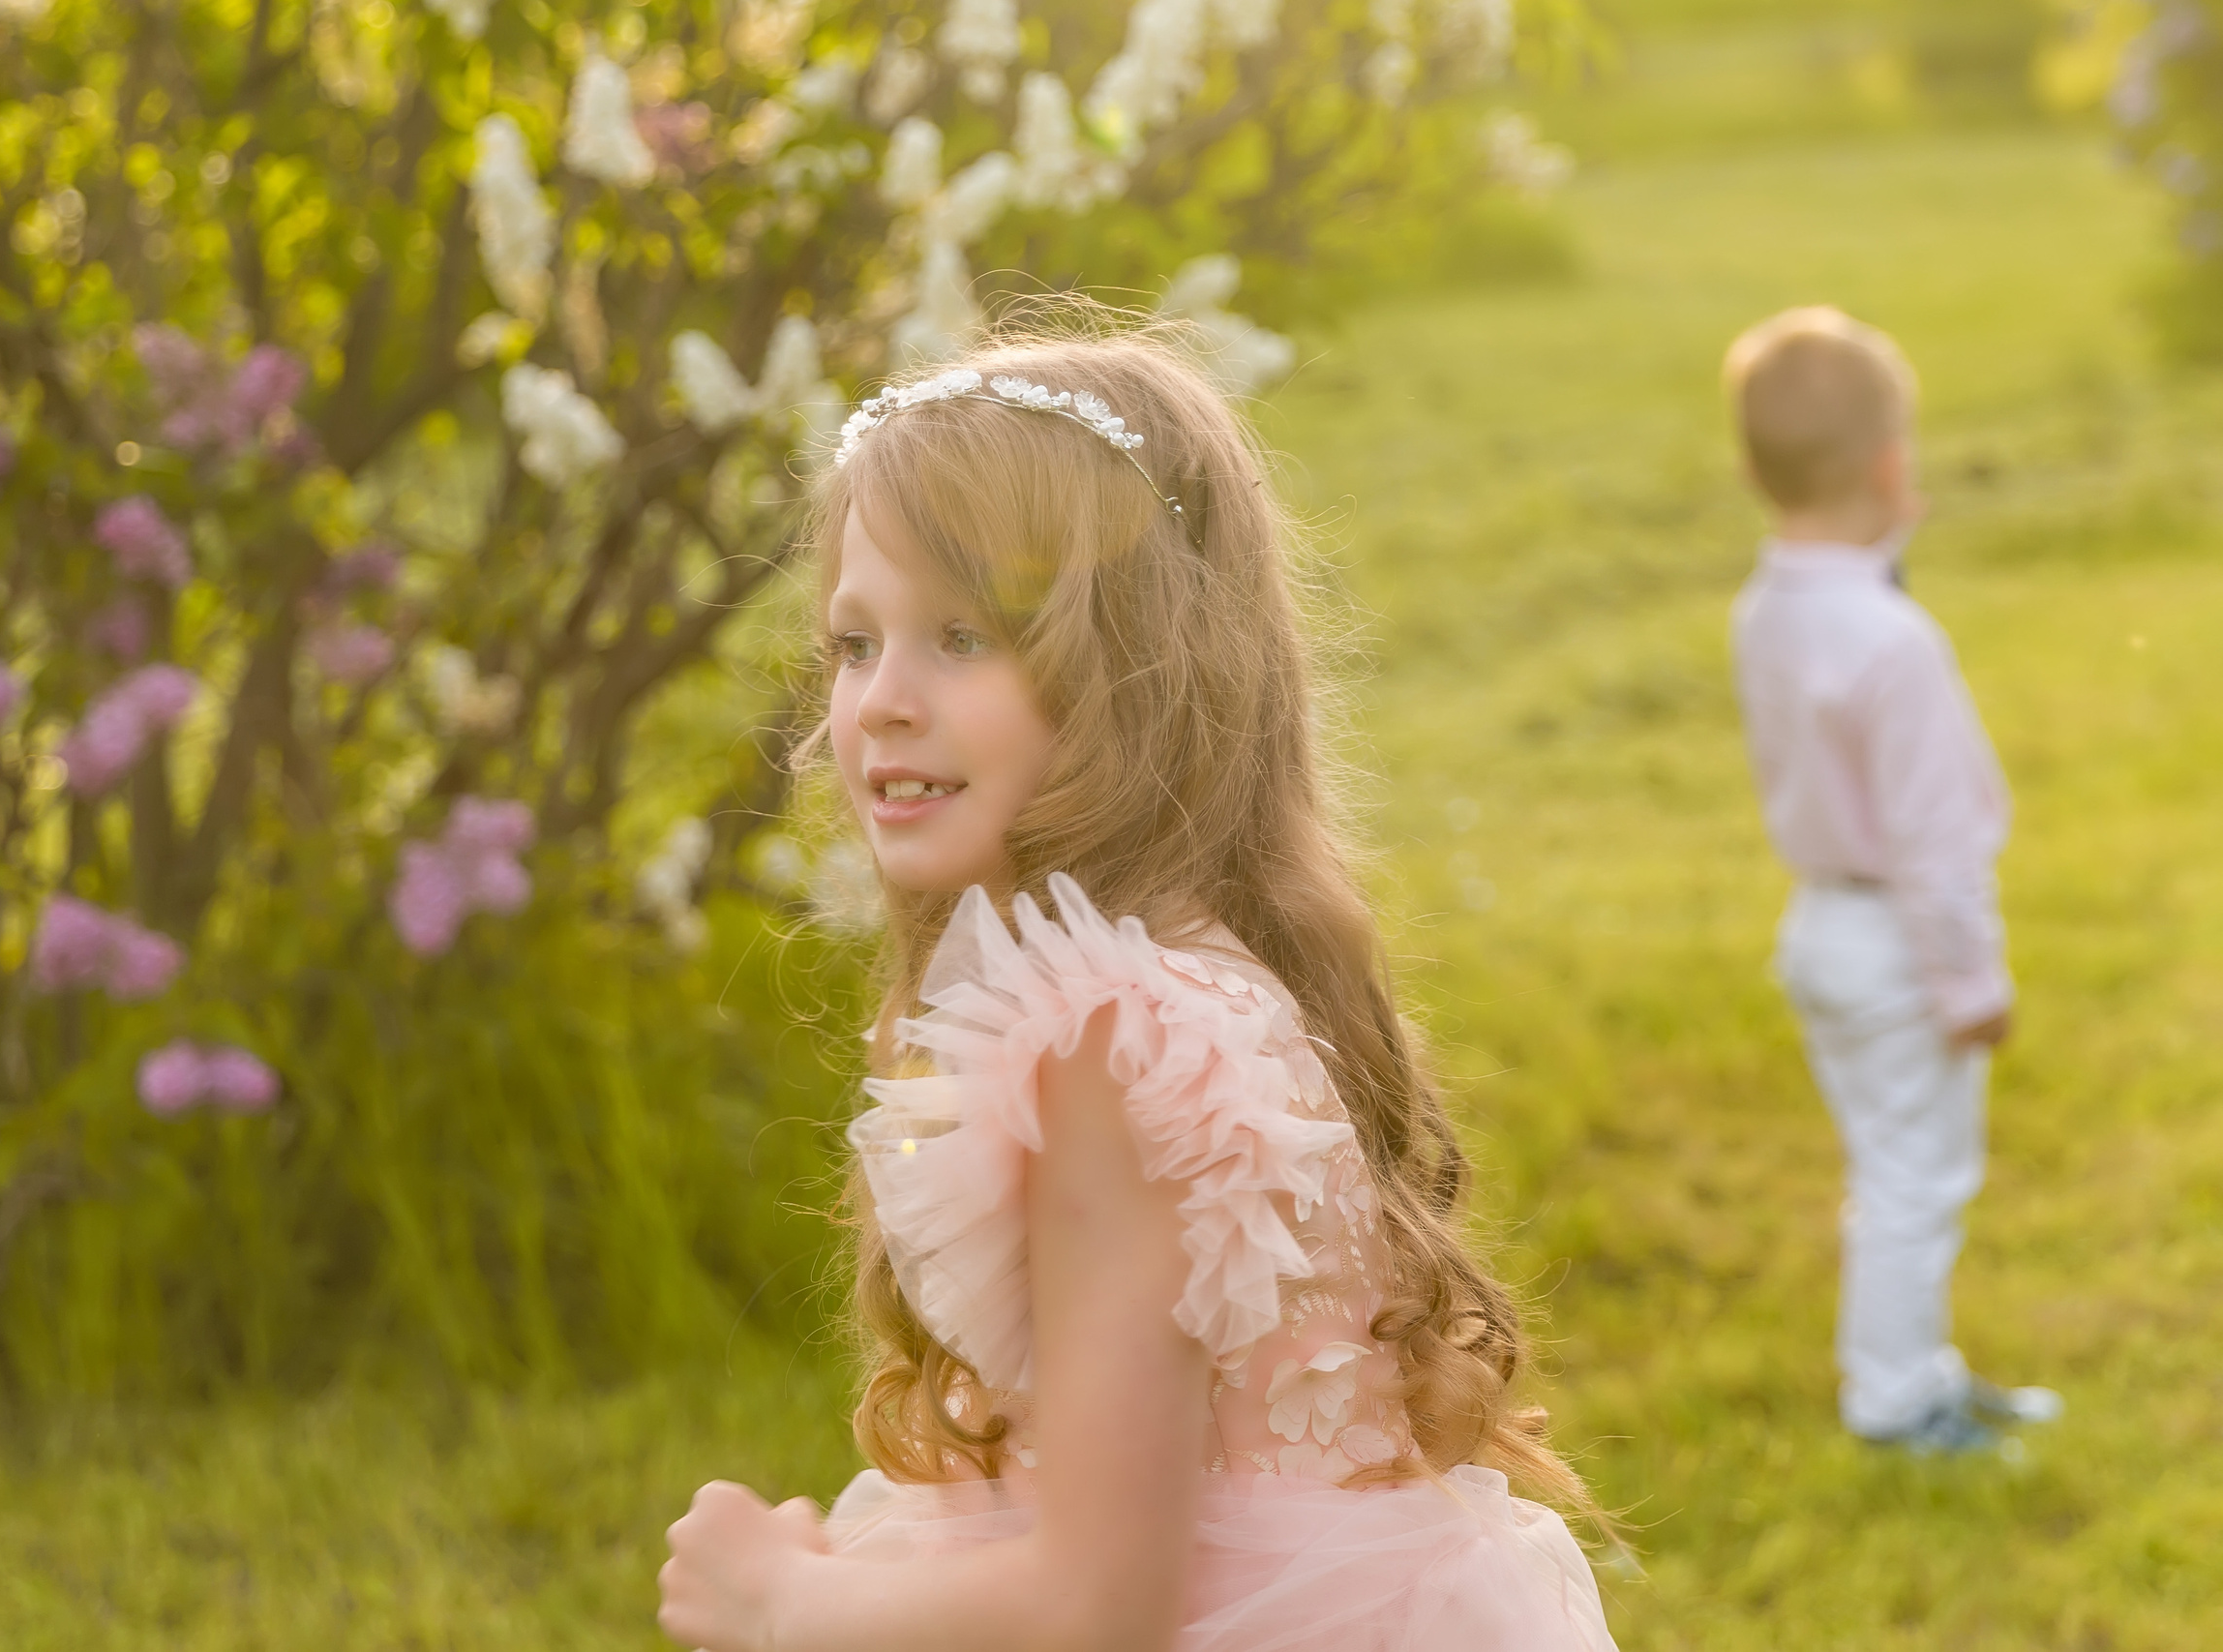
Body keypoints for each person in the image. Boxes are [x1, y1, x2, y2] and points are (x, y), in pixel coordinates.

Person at [656, 326, 1617, 1652]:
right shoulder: (1202, 971)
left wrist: (780, 1599)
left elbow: (1101, 1601)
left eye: (961, 634)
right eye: (854, 640)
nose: (879, 700)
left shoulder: (1104, 1038)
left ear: (1136, 667)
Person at [1724, 307, 2060, 1456]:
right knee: (1917, 1182)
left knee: (1889, 1170)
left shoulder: (1766, 607)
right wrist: (1972, 983)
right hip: (1895, 943)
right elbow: (1933, 844)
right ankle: (1895, 1404)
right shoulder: (1890, 643)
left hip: (1820, 927)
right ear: (1888, 461)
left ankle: (1920, 1368)